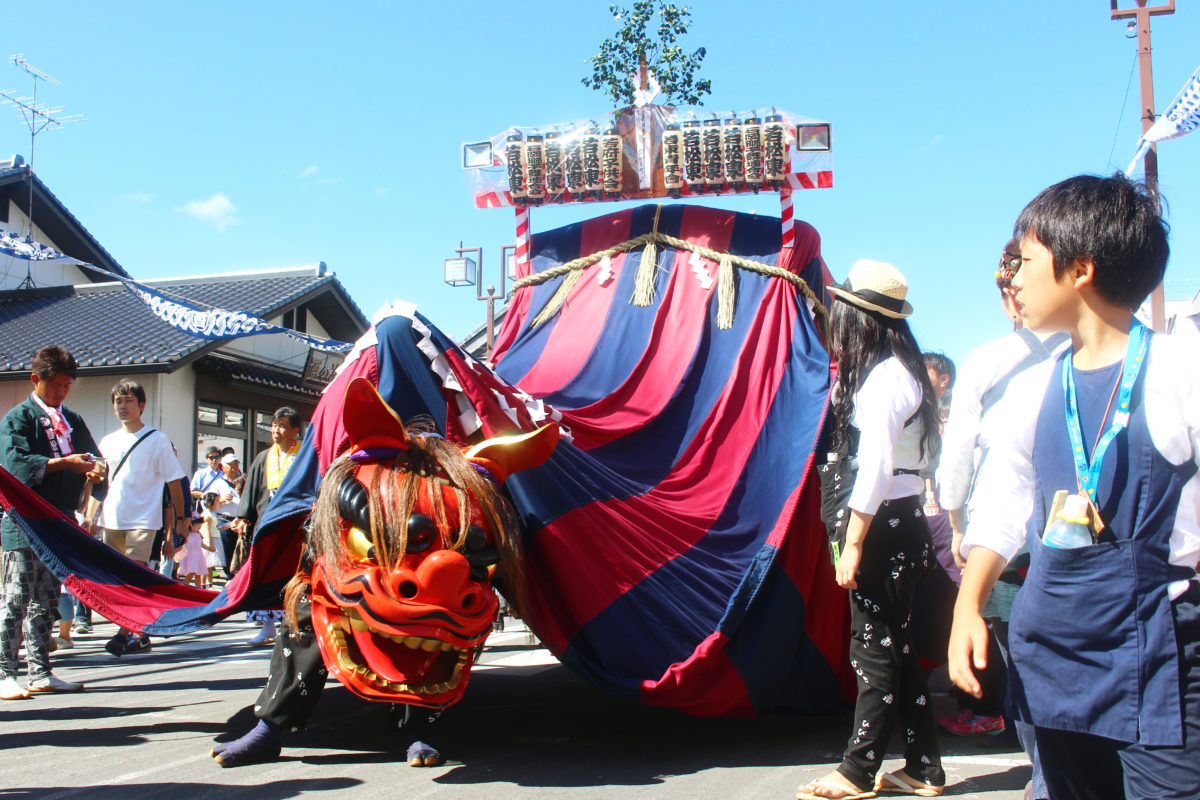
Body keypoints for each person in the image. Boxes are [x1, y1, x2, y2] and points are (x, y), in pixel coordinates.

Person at [949, 173, 1200, 799]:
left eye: (1025, 260)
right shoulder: (1032, 388)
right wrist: (967, 606)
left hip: (1158, 651)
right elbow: (1003, 504)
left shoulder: (1179, 370)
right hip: (1049, 650)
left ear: (1080, 268)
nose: (1012, 278)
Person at [799, 260, 945, 799]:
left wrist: (854, 543)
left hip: (882, 526)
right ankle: (924, 767)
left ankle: (857, 771)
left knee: (873, 649)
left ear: (862, 319)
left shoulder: (884, 379)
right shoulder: (901, 374)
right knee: (896, 649)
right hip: (897, 522)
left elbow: (878, 468)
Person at [0, 345, 102, 698]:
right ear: (36, 380)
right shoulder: (18, 418)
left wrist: (98, 467)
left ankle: (41, 671)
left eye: (66, 386)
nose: (60, 392)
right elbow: (16, 466)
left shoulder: (72, 419)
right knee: (15, 598)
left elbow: (92, 454)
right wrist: (63, 464)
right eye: (54, 385)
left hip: (60, 521)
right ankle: (3, 671)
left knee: (46, 599)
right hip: (24, 520)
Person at [85, 379, 188, 657]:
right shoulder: (107, 442)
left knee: (132, 571)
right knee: (119, 579)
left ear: (141, 405)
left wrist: (181, 519)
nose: (123, 406)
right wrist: (90, 516)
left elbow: (174, 482)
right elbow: (98, 483)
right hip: (112, 518)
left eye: (129, 400)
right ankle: (140, 630)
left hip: (144, 519)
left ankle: (122, 633)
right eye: (118, 401)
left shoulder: (157, 439)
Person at [233, 407, 302, 645]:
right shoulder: (263, 457)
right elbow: (251, 490)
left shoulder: (304, 456)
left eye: (283, 425)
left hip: (294, 526)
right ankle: (267, 626)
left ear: (295, 430)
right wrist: (243, 516)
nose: (277, 430)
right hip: (266, 522)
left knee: (292, 575)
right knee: (263, 574)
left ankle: (292, 622)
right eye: (275, 424)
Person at [175, 505, 215, 588]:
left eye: (200, 523)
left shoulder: (198, 534)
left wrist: (209, 548)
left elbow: (201, 544)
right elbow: (182, 545)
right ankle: (183, 588)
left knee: (198, 575)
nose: (199, 525)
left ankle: (198, 589)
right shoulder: (187, 534)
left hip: (198, 556)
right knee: (190, 575)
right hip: (190, 556)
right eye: (197, 523)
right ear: (191, 524)